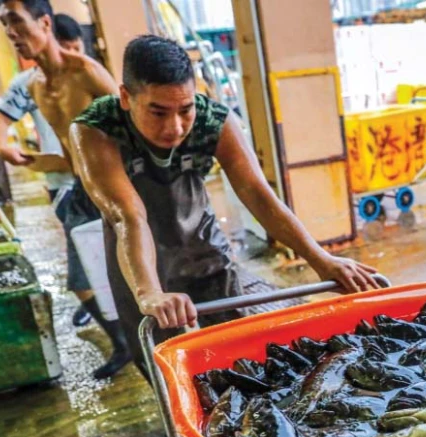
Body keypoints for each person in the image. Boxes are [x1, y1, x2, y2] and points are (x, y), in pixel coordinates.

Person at [69, 35, 379, 376]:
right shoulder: (96, 129)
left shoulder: (214, 120)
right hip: (138, 266)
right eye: (157, 112)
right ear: (126, 97)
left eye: (185, 110)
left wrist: (321, 260)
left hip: (204, 254)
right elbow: (127, 216)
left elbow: (258, 194)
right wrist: (150, 292)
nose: (174, 127)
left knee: (241, 357)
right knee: (165, 369)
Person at [0, 0, 131, 379]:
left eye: (16, 22)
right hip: (80, 190)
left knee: (134, 276)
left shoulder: (87, 72)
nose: (11, 33)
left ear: (43, 22)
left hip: (117, 188)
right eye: (4, 24)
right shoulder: (36, 86)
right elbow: (71, 150)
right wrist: (33, 159)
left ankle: (148, 346)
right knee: (81, 282)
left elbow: (130, 130)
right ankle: (123, 345)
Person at [0, 12, 93, 327]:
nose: (72, 54)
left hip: (96, 181)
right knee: (83, 258)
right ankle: (110, 321)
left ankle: (112, 318)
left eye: (77, 47)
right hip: (62, 183)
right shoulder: (30, 83)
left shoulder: (87, 74)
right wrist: (3, 146)